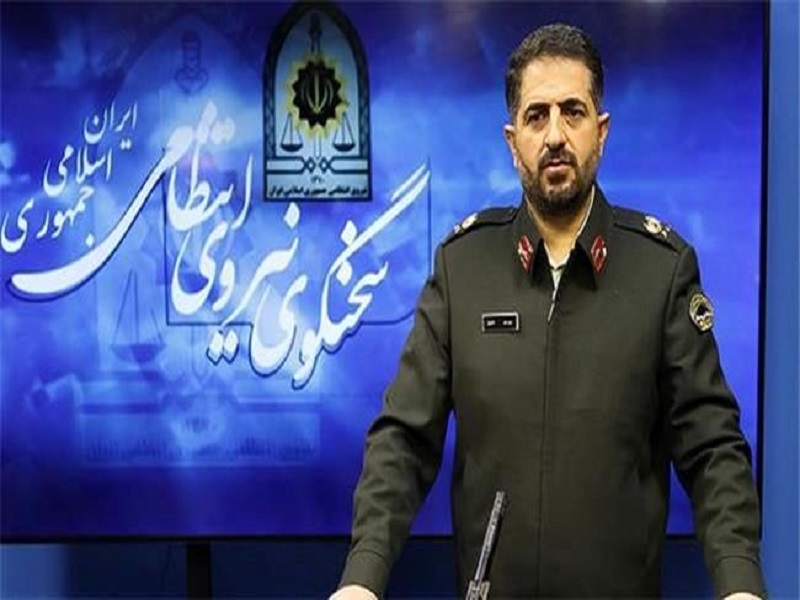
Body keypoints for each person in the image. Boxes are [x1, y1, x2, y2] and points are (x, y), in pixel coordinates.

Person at [331, 23, 765, 600]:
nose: (555, 135)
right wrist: (362, 578)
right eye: (537, 116)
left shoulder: (662, 270)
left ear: (600, 132)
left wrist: (739, 582)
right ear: (513, 141)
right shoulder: (463, 267)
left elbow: (713, 448)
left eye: (572, 112)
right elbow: (402, 440)